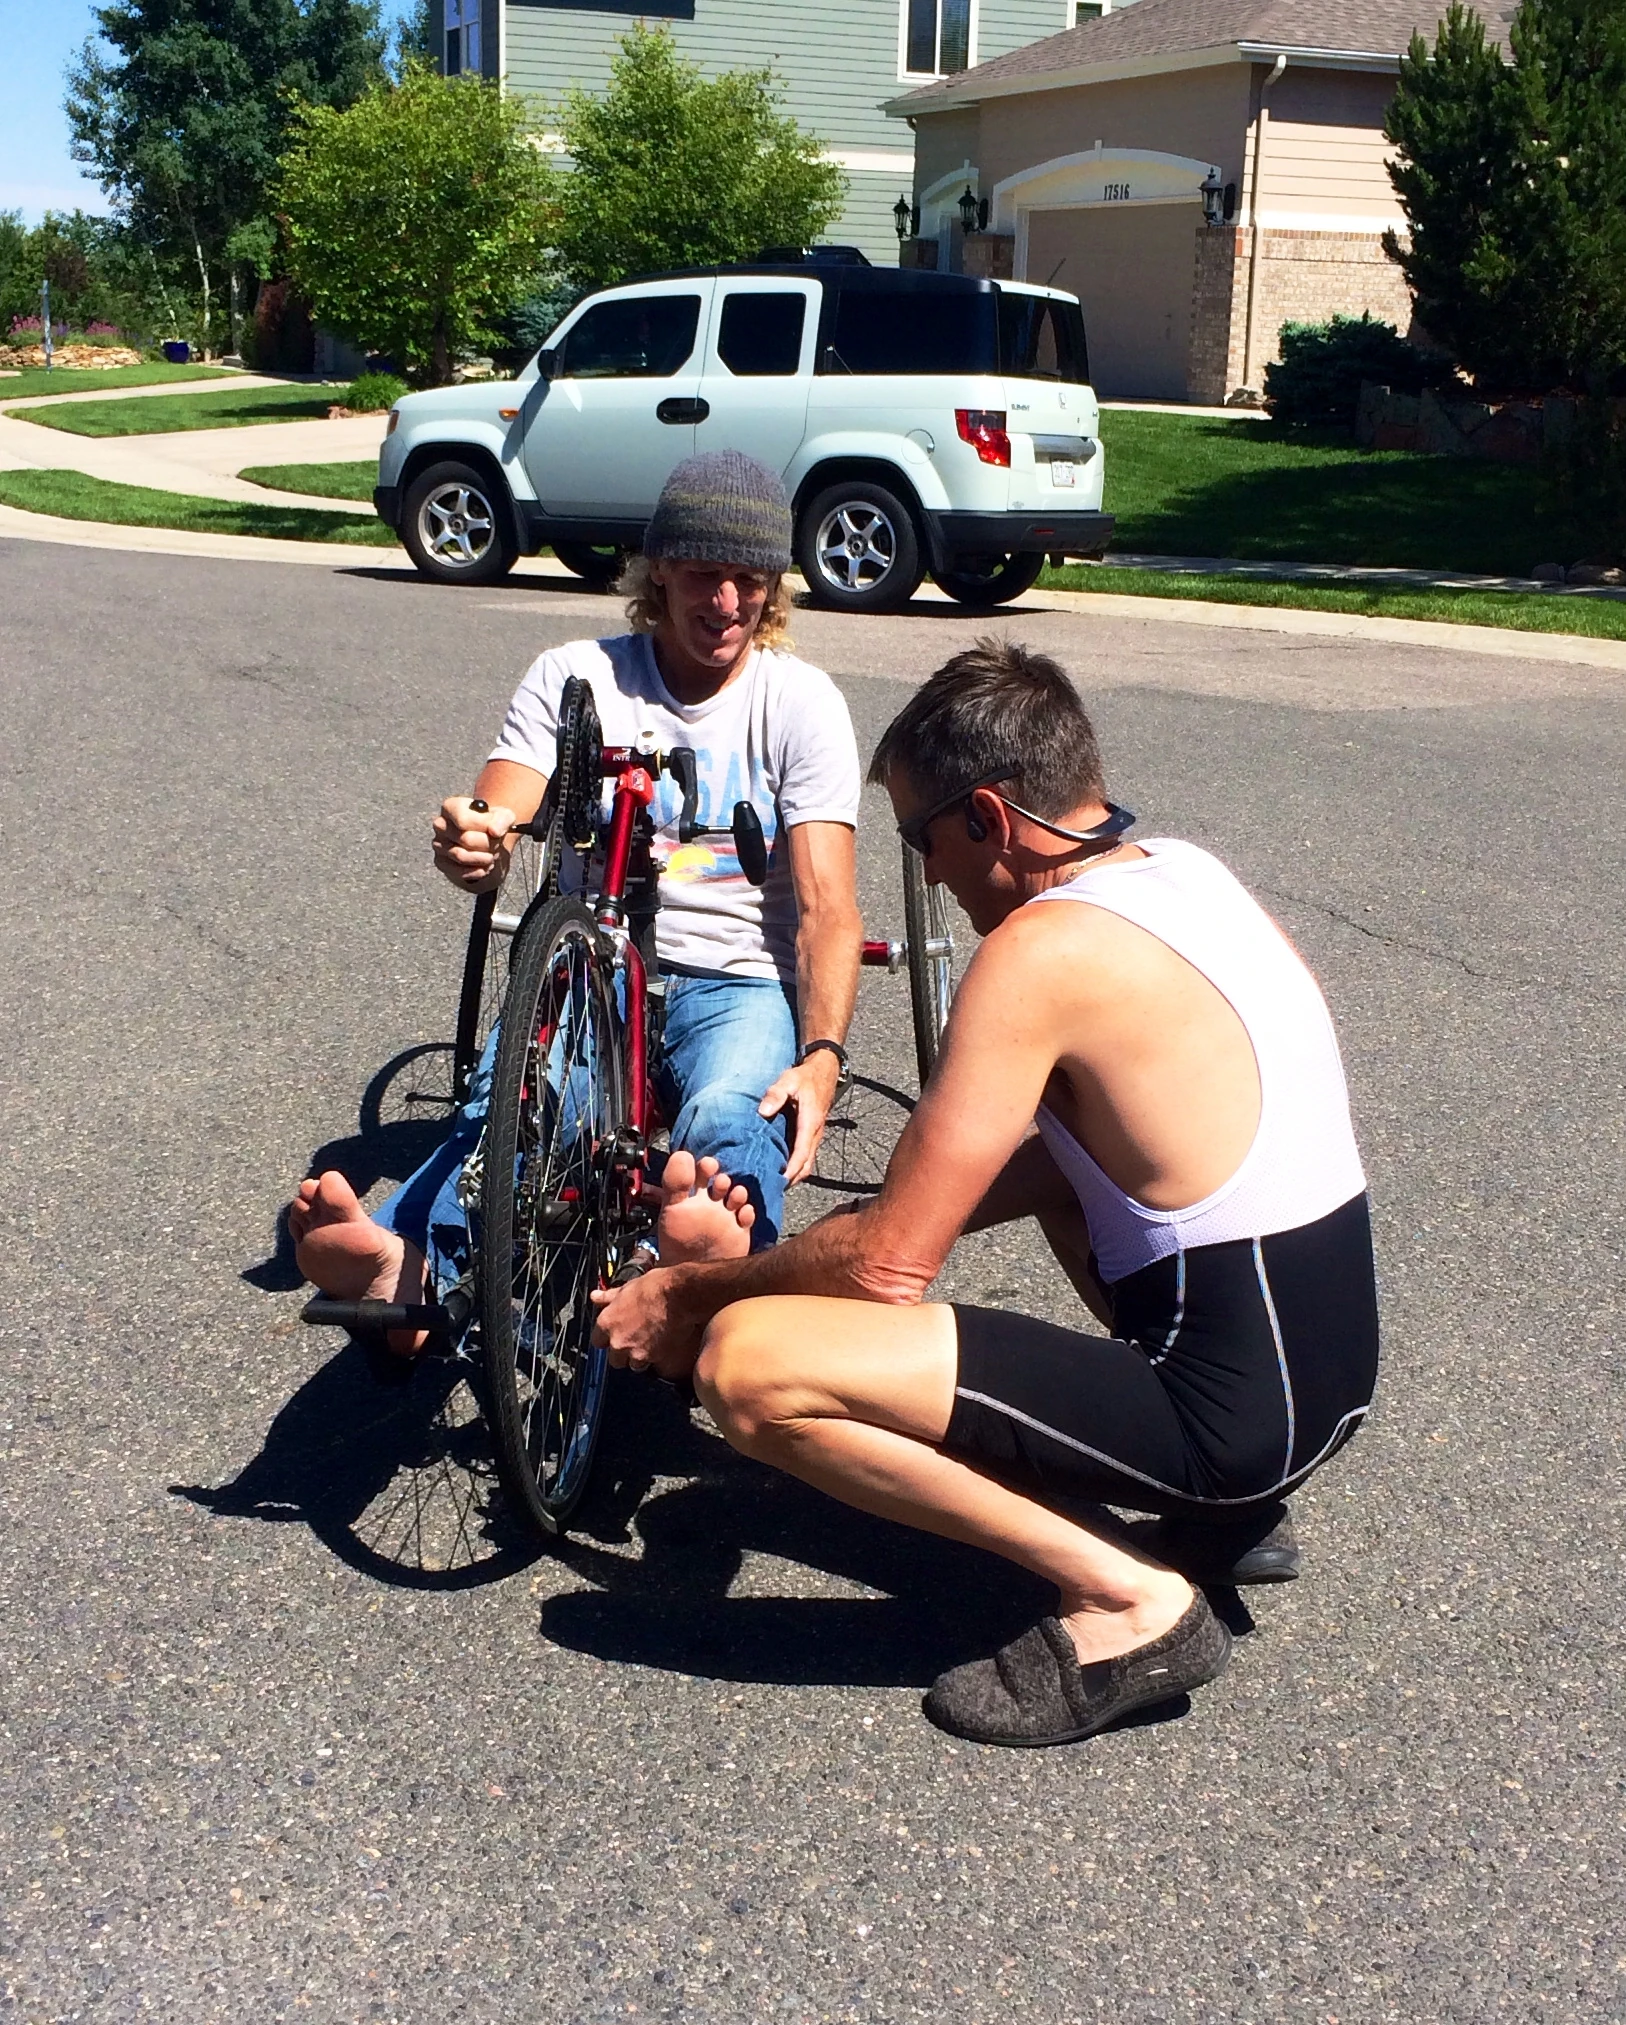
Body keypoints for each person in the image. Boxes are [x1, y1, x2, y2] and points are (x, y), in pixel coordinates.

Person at [592, 640, 1381, 1750]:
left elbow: (885, 1271)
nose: (930, 877)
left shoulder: (1036, 953)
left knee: (750, 1368)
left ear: (989, 819)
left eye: (921, 841)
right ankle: (1226, 1516)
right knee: (1058, 1158)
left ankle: (1131, 1601)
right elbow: (1061, 1167)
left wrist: (695, 1296)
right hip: (1326, 1380)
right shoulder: (1186, 876)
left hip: (1235, 1417)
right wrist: (844, 1242)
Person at [291, 451, 863, 1348]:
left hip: (738, 979)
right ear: (659, 572)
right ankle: (412, 1268)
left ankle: (706, 1253)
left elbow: (828, 905)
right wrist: (473, 839)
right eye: (704, 575)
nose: (725, 603)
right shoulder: (577, 676)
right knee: (531, 1098)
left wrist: (824, 1051)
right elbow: (500, 808)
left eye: (748, 580)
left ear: (774, 587)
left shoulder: (800, 703)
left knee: (733, 1107)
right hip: (594, 965)